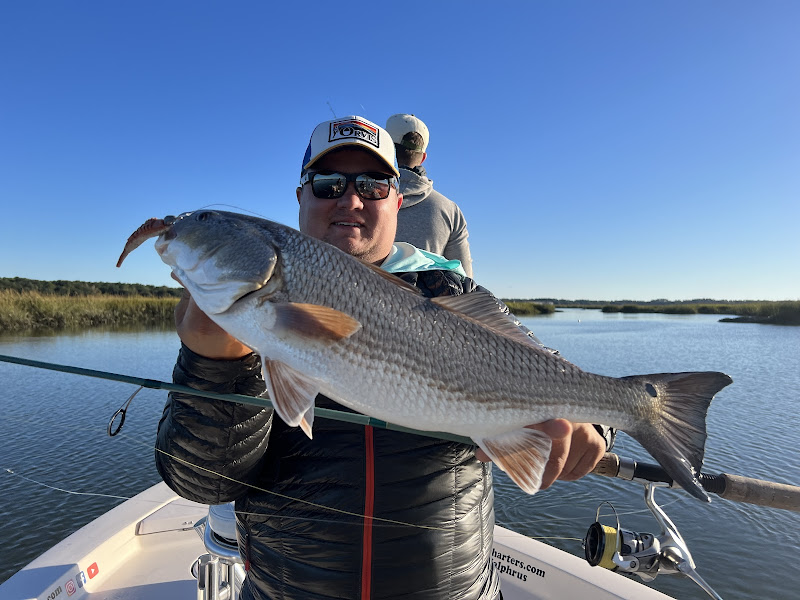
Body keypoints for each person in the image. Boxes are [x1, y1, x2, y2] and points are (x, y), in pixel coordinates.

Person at [155, 115, 611, 600]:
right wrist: (213, 367)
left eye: (373, 185)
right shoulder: (231, 312)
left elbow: (552, 368)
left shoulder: (454, 292)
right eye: (328, 184)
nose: (350, 200)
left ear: (398, 200)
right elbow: (201, 482)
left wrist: (596, 423)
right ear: (300, 197)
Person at [385, 113, 474, 277]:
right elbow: (465, 282)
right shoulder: (450, 210)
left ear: (385, 148)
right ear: (423, 157)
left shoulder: (352, 198)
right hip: (423, 303)